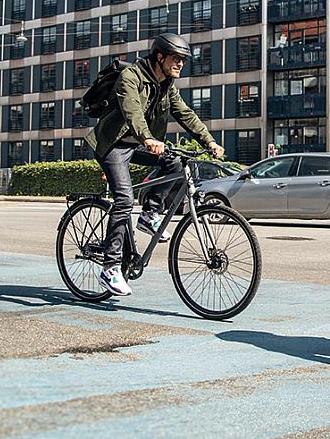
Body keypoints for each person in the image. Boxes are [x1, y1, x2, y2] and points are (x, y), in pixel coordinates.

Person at [84, 33, 225, 297]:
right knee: (124, 200)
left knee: (174, 163)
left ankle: (149, 215)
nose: (180, 64)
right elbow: (132, 110)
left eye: (183, 60)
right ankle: (111, 267)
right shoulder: (131, 77)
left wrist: (209, 142)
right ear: (160, 57)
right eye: (176, 59)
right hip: (113, 144)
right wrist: (147, 137)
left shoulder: (168, 86)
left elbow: (185, 114)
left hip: (138, 144)